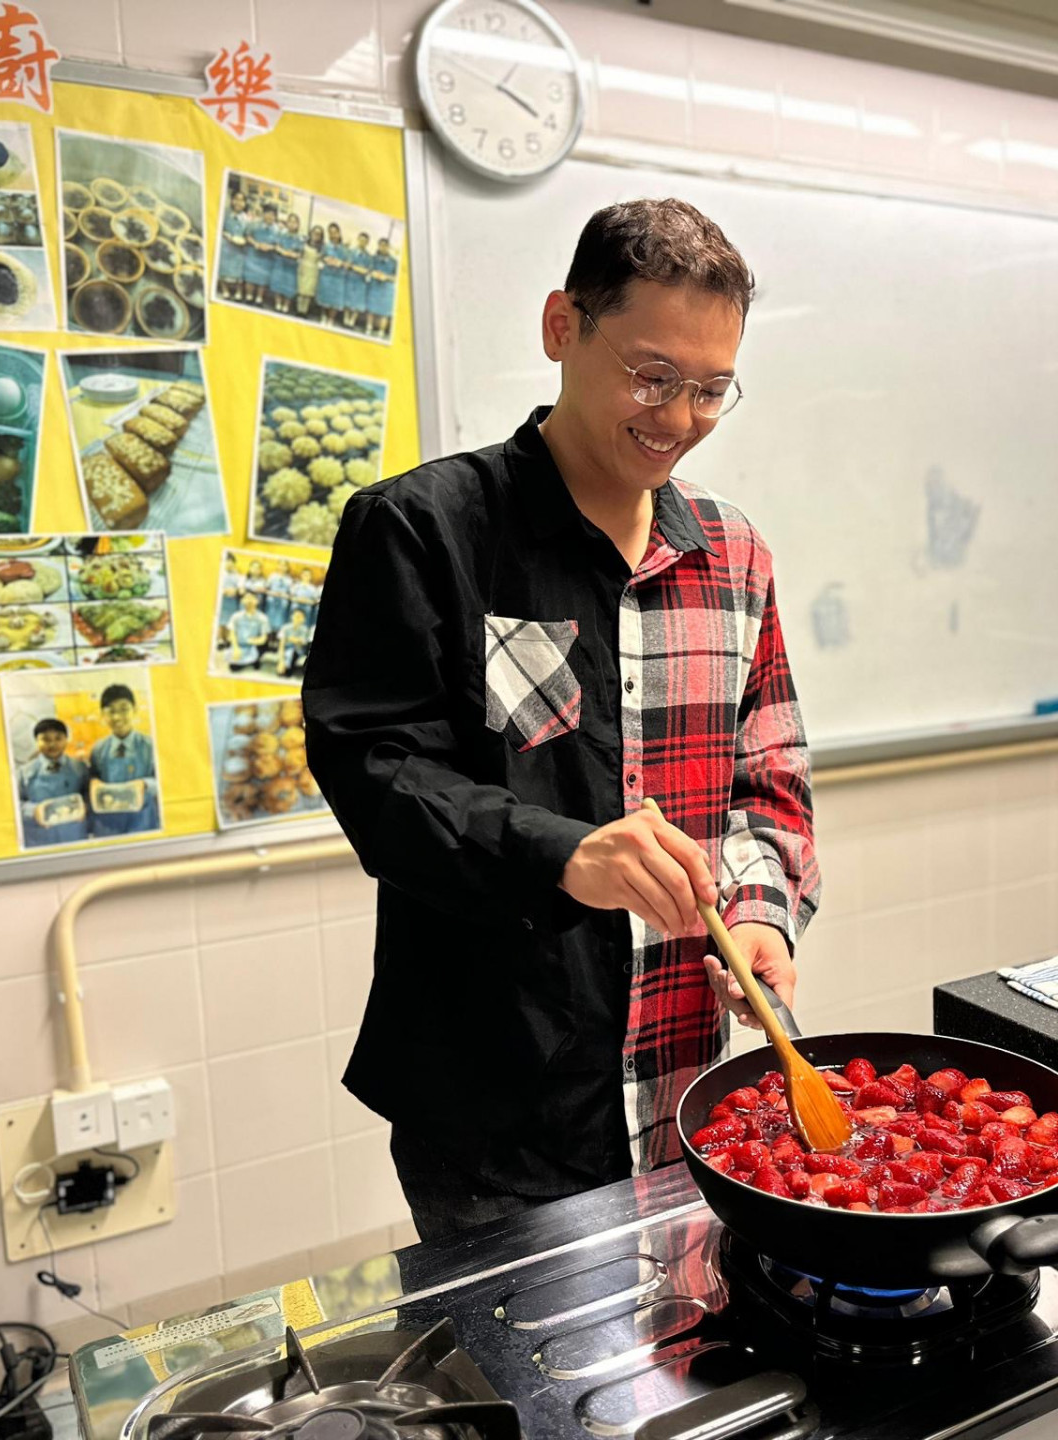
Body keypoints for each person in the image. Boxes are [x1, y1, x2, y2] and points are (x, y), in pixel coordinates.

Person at [305, 198, 819, 1241]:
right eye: (651, 376)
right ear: (561, 328)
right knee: (526, 1349)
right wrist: (563, 854)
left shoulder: (732, 556)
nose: (678, 418)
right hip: (497, 1103)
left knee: (693, 1331)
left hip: (683, 1076)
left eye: (710, 390)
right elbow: (376, 772)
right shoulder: (423, 530)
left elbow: (770, 775)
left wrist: (763, 912)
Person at [86, 682, 160, 836]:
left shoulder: (151, 746)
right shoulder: (98, 749)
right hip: (109, 823)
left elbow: (165, 781)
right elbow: (94, 778)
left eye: (124, 709)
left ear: (135, 710)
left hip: (143, 820)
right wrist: (94, 782)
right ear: (103, 715)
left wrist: (145, 784)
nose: (117, 717)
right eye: (111, 711)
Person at [17, 717, 89, 848]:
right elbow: (13, 805)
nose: (52, 744)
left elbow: (89, 796)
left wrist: (86, 806)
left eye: (58, 738)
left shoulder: (80, 768)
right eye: (45, 739)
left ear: (66, 739)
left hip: (74, 835)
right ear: (36, 741)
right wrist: (33, 811)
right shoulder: (23, 773)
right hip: (39, 838)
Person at [226, 592, 270, 671]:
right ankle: (244, 658)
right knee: (233, 668)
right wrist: (236, 648)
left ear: (257, 601)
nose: (249, 601)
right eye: (246, 598)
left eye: (252, 598)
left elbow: (263, 638)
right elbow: (231, 634)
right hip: (239, 644)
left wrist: (252, 641)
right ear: (242, 601)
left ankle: (256, 659)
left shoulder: (263, 618)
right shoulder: (236, 616)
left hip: (254, 644)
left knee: (264, 645)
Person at [218, 188, 249, 300]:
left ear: (245, 203)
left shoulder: (246, 218)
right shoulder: (224, 213)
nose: (238, 203)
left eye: (242, 200)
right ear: (232, 200)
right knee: (222, 267)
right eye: (236, 199)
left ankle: (238, 291)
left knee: (239, 270)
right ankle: (224, 289)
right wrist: (224, 234)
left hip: (240, 248)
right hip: (225, 245)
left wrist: (245, 239)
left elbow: (248, 233)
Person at [245, 203, 277, 307]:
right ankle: (249, 296)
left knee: (262, 279)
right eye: (268, 213)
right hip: (253, 255)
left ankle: (259, 298)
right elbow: (247, 236)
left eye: (273, 214)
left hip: (267, 258)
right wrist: (256, 244)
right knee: (250, 277)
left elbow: (278, 245)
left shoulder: (277, 229)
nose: (270, 216)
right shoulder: (254, 224)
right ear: (263, 213)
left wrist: (270, 247)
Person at [271, 212, 303, 316]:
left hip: (291, 266)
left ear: (298, 224)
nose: (292, 224)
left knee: (289, 285)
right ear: (287, 223)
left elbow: (300, 253)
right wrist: (283, 252)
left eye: (295, 222)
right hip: (280, 263)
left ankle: (286, 305)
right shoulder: (281, 234)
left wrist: (291, 254)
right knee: (277, 282)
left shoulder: (300, 238)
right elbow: (276, 246)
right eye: (290, 221)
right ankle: (278, 303)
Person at [367, 235, 398, 339]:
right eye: (381, 245)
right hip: (374, 285)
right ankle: (368, 328)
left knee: (384, 311)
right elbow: (368, 270)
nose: (383, 247)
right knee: (371, 309)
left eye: (385, 245)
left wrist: (386, 277)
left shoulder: (394, 262)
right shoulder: (373, 258)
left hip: (387, 288)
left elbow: (397, 277)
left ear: (388, 247)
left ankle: (381, 332)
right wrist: (374, 273)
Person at [318, 221, 348, 325]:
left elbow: (348, 264)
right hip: (326, 275)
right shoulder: (326, 246)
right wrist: (325, 259)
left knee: (335, 300)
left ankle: (331, 319)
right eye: (330, 232)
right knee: (324, 297)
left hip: (338, 277)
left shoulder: (345, 249)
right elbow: (320, 257)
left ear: (339, 233)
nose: (333, 235)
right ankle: (323, 316)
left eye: (335, 232)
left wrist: (340, 263)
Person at [345, 230, 372, 331]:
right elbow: (347, 265)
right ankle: (346, 319)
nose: (362, 242)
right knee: (348, 299)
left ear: (367, 243)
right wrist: (355, 268)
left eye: (365, 241)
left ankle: (352, 320)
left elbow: (367, 270)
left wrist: (354, 267)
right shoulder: (351, 252)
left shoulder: (369, 257)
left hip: (361, 281)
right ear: (357, 240)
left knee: (357, 301)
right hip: (350, 278)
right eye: (361, 240)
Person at [296, 225, 323, 319]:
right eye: (314, 233)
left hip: (313, 270)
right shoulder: (304, 243)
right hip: (303, 267)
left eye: (318, 234)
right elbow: (299, 254)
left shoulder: (322, 248)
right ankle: (299, 310)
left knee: (308, 291)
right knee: (301, 290)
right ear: (311, 233)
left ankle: (304, 311)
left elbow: (322, 259)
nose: (316, 235)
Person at [275, 608, 310, 678]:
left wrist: (289, 639)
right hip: (285, 649)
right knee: (285, 655)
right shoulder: (285, 627)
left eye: (300, 617)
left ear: (304, 619)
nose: (297, 618)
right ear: (292, 616)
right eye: (296, 616)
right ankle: (282, 670)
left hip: (298, 651)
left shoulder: (305, 630)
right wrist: (281, 660)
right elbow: (282, 643)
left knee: (291, 653)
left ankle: (286, 672)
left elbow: (302, 642)